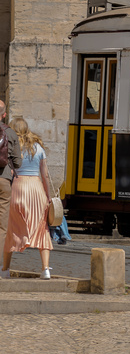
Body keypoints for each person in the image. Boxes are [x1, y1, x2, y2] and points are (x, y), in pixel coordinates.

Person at [2, 117, 53, 279]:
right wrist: (48, 195)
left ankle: (5, 269)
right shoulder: (38, 148)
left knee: (10, 228)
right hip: (36, 189)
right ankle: (45, 269)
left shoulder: (11, 147)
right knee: (42, 228)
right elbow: (44, 174)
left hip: (17, 187)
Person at [0, 99, 22, 260]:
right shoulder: (10, 133)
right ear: (4, 114)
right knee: (2, 225)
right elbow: (18, 162)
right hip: (3, 179)